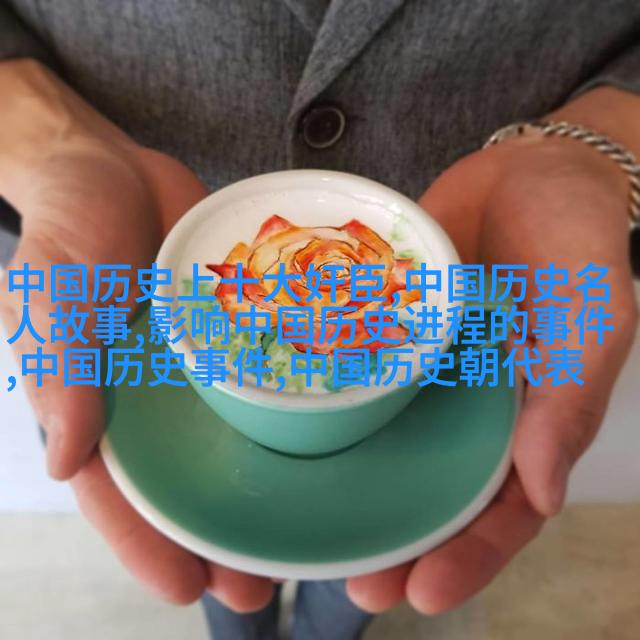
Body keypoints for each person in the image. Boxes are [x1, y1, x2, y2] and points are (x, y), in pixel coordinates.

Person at [0, 1, 638, 638]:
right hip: (125, 258)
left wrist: (594, 149)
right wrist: (52, 143)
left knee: (367, 575)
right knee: (216, 573)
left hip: (479, 236)